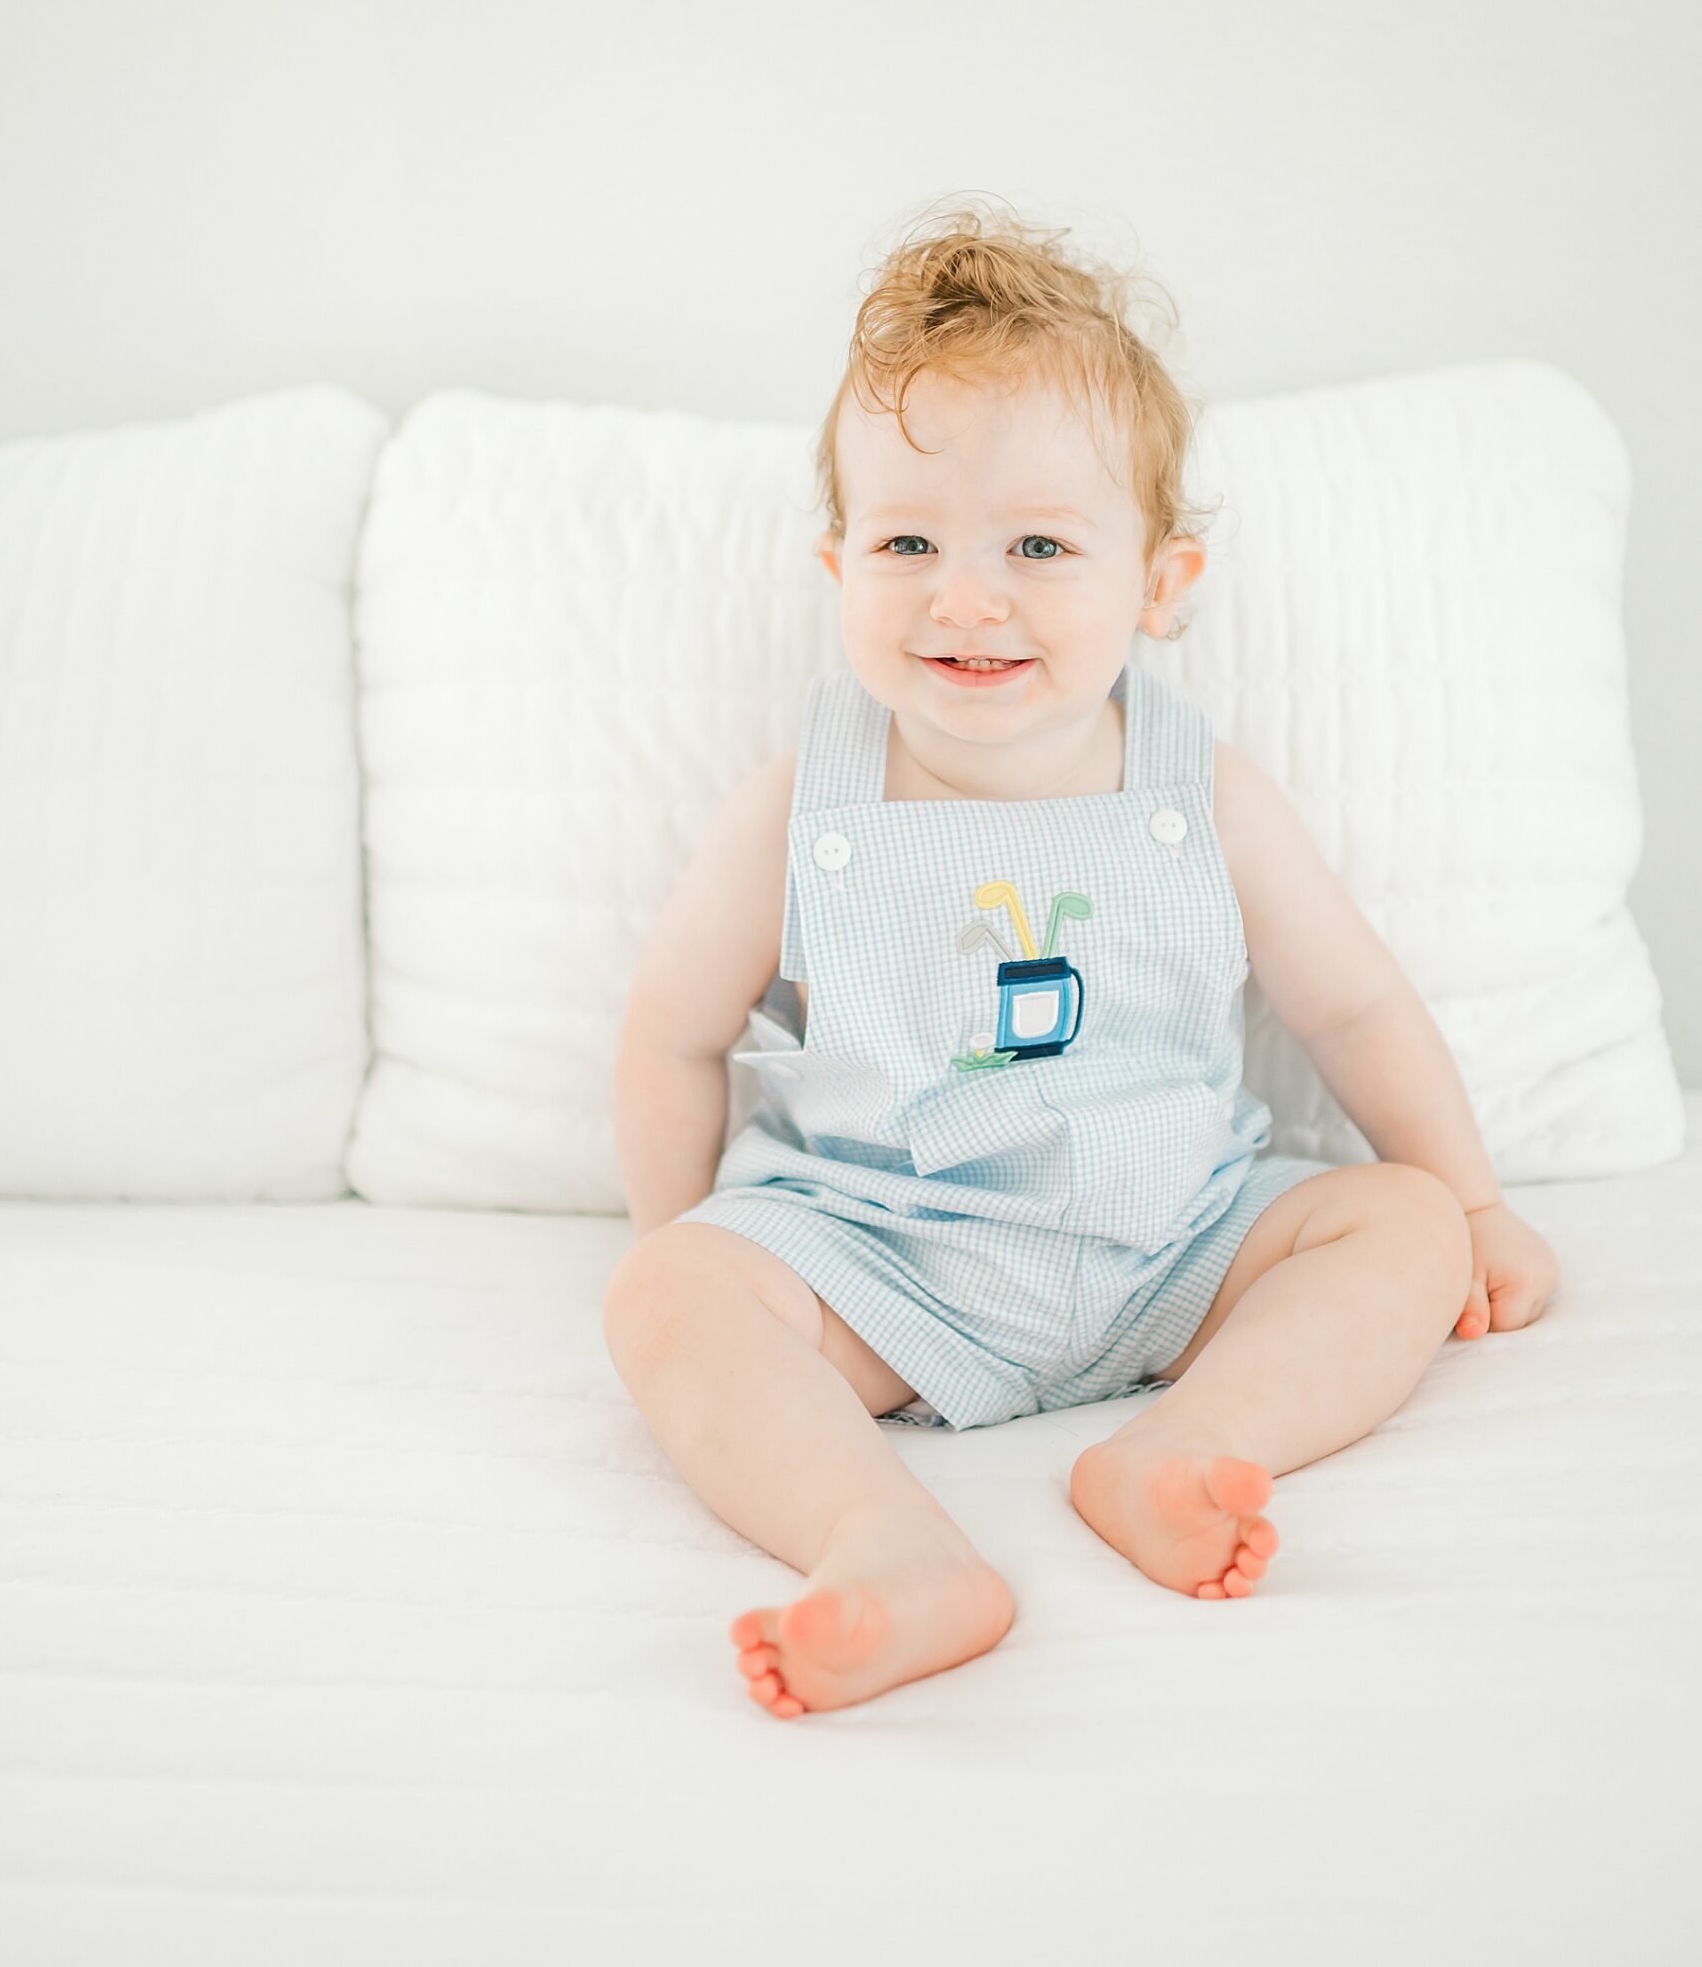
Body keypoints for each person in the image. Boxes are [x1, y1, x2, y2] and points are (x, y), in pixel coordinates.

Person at [602, 201, 1559, 1720]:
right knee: (666, 1302)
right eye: (909, 542)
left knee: (1402, 1225)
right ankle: (893, 1546)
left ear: (1159, 584)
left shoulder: (1204, 793)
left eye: (1039, 545)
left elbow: (1355, 1004)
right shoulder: (801, 802)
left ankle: (1183, 1447)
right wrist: (688, 1247)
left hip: (1175, 1243)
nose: (965, 595)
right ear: (838, 562)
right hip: (882, 1257)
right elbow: (670, 1037)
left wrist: (1479, 1195)